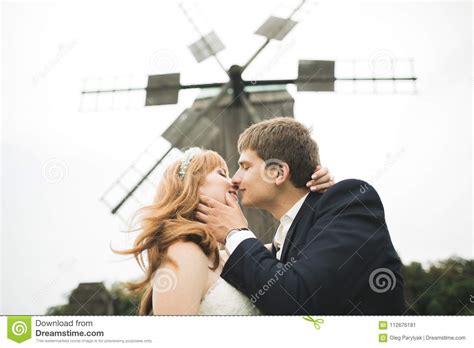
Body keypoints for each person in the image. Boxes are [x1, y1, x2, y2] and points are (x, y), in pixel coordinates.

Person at [197, 117, 405, 315]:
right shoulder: (286, 237)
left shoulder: (349, 204)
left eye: (246, 167)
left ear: (278, 173)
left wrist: (236, 233)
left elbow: (298, 301)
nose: (235, 179)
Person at [116, 147, 334, 315]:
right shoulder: (184, 252)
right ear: (193, 186)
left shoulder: (227, 256)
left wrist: (315, 194)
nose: (234, 182)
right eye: (222, 173)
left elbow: (291, 249)